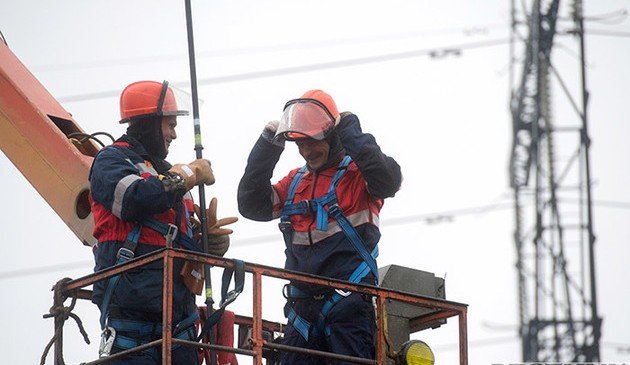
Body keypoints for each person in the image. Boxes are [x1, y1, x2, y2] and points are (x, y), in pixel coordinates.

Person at [237, 89, 402, 364]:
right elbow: (252, 205)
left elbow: (387, 180)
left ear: (332, 135)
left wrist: (350, 130)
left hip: (349, 309)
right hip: (301, 314)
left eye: (312, 142)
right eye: (299, 144)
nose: (306, 151)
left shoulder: (359, 176)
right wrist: (267, 146)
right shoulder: (295, 182)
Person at [89, 80, 237, 364]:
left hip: (180, 329)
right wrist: (186, 175)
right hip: (131, 330)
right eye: (170, 125)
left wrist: (207, 242)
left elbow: (180, 246)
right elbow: (134, 199)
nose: (174, 134)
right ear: (149, 123)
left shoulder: (170, 176)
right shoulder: (112, 161)